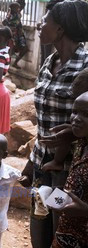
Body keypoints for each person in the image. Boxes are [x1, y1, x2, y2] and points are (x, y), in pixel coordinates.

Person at [19, 0, 88, 248]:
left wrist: (69, 134)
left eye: (45, 20)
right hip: (43, 165)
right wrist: (31, 161)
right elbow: (44, 122)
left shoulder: (86, 66)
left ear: (60, 29)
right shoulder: (49, 62)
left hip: (68, 170)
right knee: (39, 222)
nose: (39, 25)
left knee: (61, 228)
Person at [51, 91, 88, 248]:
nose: (76, 118)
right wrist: (54, 199)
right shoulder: (81, 143)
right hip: (66, 234)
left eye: (86, 114)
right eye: (74, 112)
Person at [2, 2, 27, 68]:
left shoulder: (9, 15)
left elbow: (4, 22)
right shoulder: (15, 15)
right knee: (10, 50)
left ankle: (7, 65)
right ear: (14, 8)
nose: (19, 9)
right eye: (18, 8)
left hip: (14, 35)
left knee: (10, 50)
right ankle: (7, 66)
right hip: (14, 36)